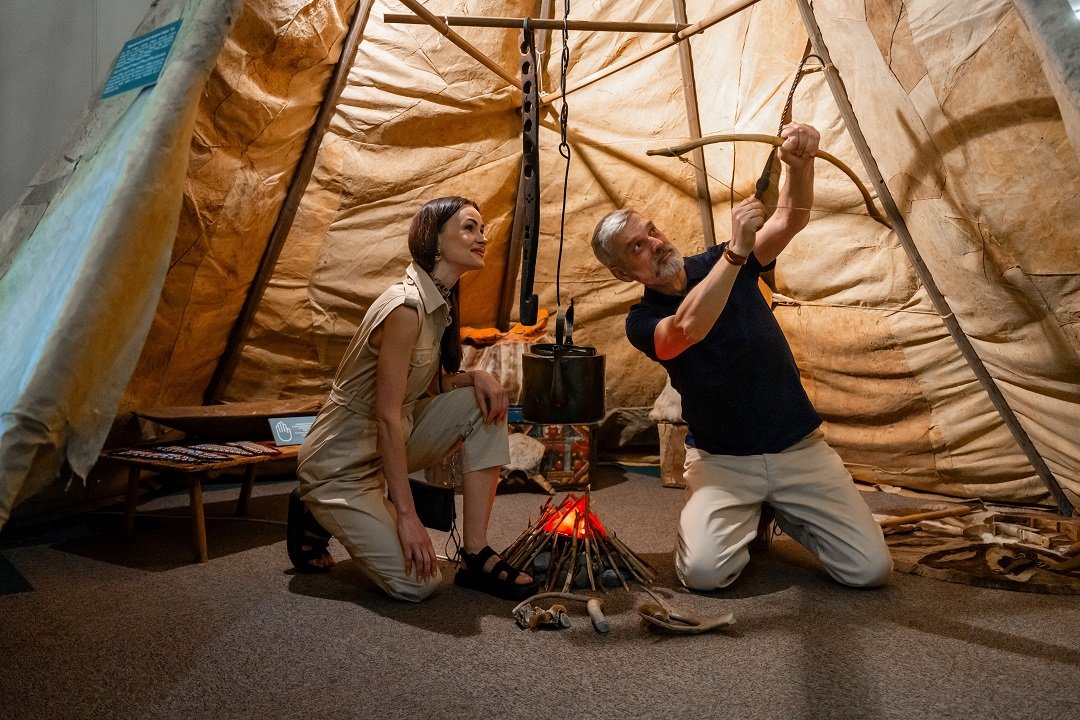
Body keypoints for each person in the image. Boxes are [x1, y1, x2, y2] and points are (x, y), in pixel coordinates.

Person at [589, 122, 892, 591]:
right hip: (723, 462)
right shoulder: (642, 320)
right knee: (702, 575)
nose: (656, 243)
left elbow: (789, 219)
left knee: (870, 570)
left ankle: (781, 511)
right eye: (638, 247)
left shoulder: (716, 261)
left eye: (652, 231)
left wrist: (799, 164)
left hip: (798, 448)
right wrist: (735, 254)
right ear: (623, 273)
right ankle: (748, 514)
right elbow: (687, 329)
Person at [288, 196, 537, 602]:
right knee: (419, 584)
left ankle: (475, 553)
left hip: (389, 444)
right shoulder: (404, 307)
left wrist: (477, 377)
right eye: (469, 227)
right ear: (435, 239)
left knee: (484, 405)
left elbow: (428, 386)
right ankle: (314, 506)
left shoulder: (440, 302)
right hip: (341, 463)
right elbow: (386, 415)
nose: (482, 237)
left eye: (482, 229)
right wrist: (407, 516)